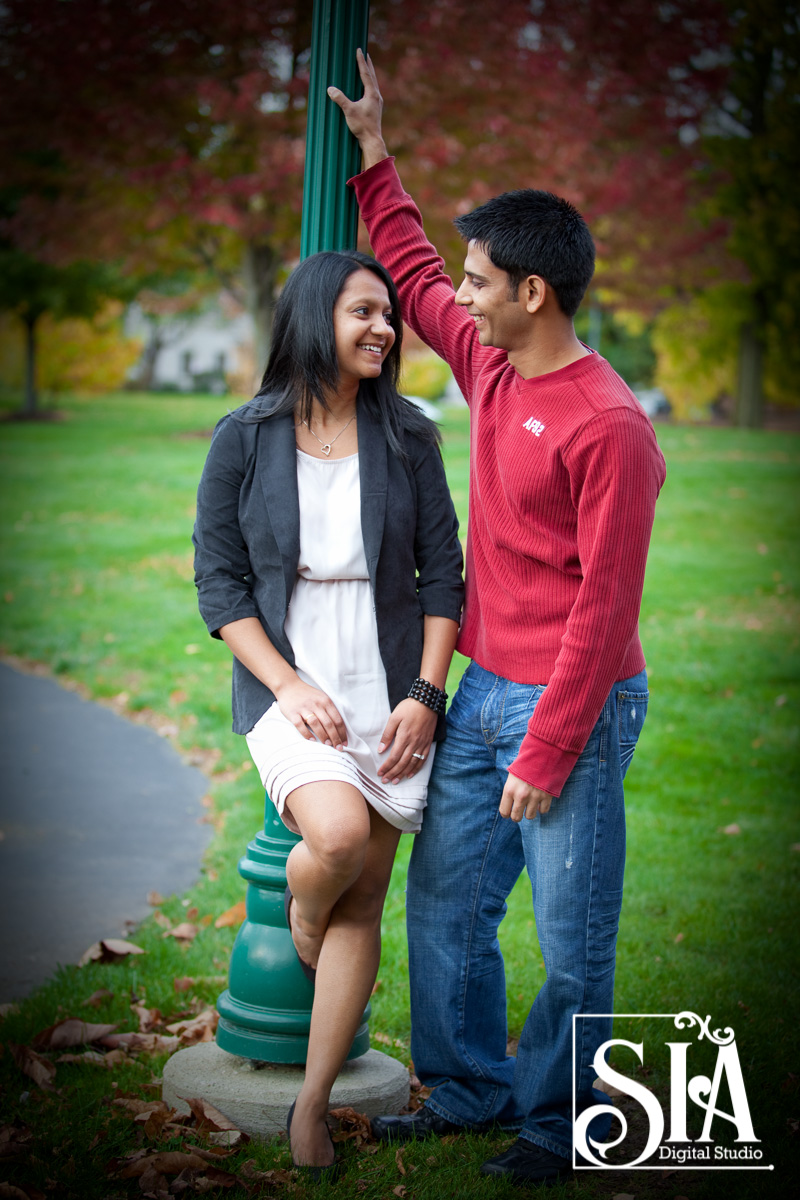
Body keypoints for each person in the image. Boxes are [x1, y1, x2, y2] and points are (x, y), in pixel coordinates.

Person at [328, 52, 667, 1186]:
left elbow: (604, 610)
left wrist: (550, 743)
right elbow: (415, 271)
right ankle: (469, 1088)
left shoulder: (608, 426)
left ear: (534, 292)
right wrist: (378, 156)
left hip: (568, 703)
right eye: (469, 280)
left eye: (483, 281)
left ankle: (564, 1122)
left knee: (572, 941)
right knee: (445, 911)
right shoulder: (491, 363)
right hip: (479, 690)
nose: (457, 297)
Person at [192, 248, 463, 1176]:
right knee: (336, 842)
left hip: (389, 685)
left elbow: (445, 580)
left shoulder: (409, 436)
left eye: (388, 314)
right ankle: (303, 911)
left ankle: (312, 1104)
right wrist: (289, 683)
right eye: (363, 312)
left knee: (367, 899)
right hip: (289, 680)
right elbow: (219, 585)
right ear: (315, 319)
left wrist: (425, 695)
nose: (384, 328)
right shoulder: (245, 436)